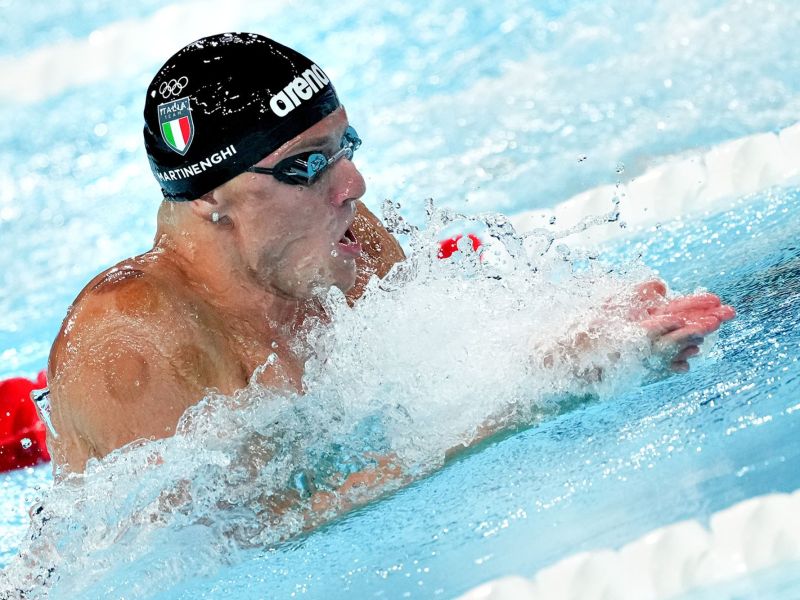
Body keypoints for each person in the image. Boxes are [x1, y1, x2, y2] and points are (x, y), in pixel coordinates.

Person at [46, 33, 734, 482]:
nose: (353, 186)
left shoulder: (345, 242)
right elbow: (232, 549)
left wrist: (572, 340)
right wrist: (541, 396)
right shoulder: (130, 339)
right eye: (307, 164)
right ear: (208, 198)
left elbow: (438, 368)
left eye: (345, 147)